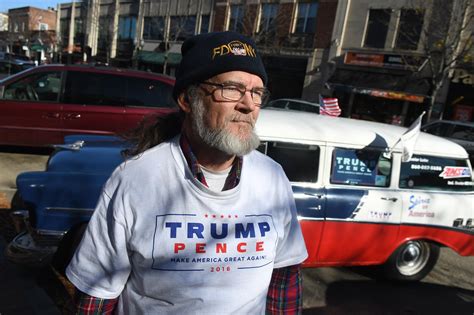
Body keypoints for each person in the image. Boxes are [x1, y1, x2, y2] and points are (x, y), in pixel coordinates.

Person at [66, 31, 308, 314]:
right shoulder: (136, 179)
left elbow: (284, 279)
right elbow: (97, 297)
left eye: (256, 93)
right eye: (231, 88)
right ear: (187, 99)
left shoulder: (272, 178)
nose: (247, 105)